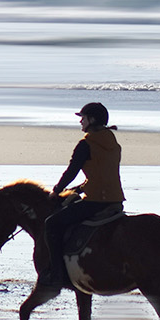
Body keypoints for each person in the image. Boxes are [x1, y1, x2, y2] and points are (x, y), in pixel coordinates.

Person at [43, 101, 125, 285]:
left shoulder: (86, 144)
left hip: (96, 201)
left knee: (51, 224)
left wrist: (56, 190)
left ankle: (57, 273)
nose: (81, 122)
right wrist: (79, 188)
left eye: (83, 118)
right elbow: (102, 175)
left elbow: (71, 172)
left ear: (92, 120)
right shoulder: (113, 143)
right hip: (115, 198)